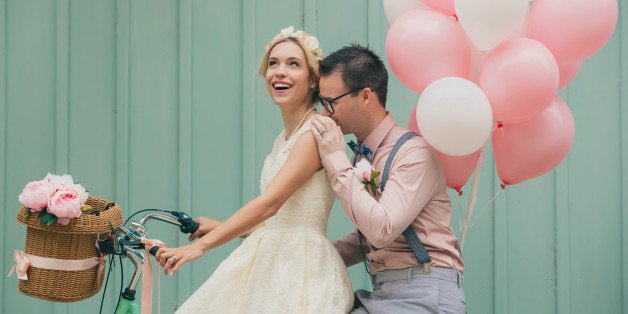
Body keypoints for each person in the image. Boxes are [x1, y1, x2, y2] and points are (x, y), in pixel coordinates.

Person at [155, 26, 354, 313]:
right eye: (273, 63)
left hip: (301, 269)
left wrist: (200, 246)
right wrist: (221, 227)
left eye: (293, 64)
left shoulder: (314, 132)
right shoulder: (283, 139)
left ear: (312, 80)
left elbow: (270, 205)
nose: (279, 72)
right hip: (273, 259)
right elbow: (279, 225)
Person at [309, 44, 466, 313]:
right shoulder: (362, 158)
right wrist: (303, 250)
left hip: (424, 292)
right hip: (382, 292)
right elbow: (368, 238)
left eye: (330, 102)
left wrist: (335, 159)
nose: (325, 114)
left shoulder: (413, 153)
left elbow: (382, 230)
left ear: (366, 96)